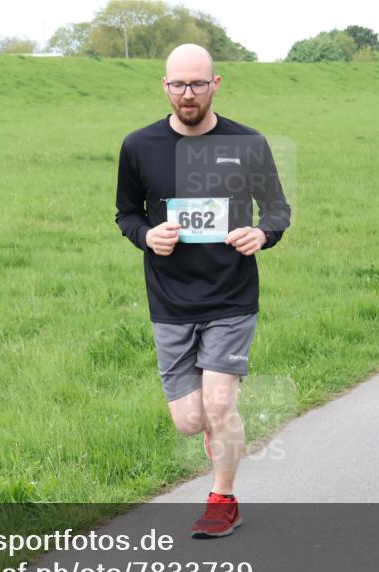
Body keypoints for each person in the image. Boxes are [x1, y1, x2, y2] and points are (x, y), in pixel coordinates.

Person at [115, 44, 290, 538]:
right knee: (191, 421)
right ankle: (220, 422)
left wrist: (263, 234)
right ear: (164, 86)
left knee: (218, 407)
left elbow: (276, 210)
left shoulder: (249, 143)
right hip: (169, 302)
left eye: (197, 83)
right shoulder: (139, 146)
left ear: (216, 84)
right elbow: (126, 213)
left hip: (231, 296)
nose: (186, 94)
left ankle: (222, 498)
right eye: (177, 84)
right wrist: (147, 235)